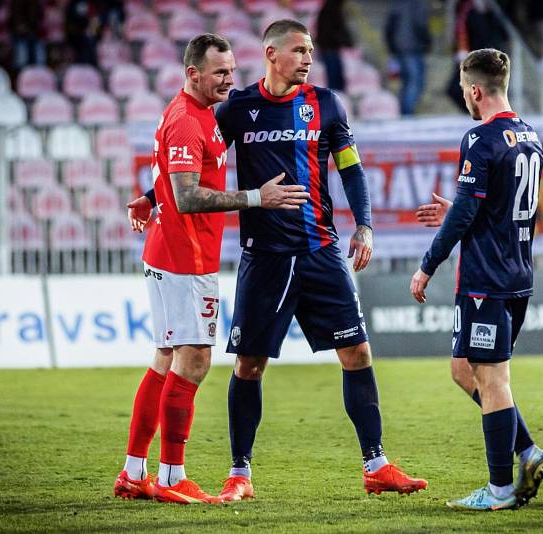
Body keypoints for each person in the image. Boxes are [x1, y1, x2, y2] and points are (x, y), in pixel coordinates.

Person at [213, 19, 427, 502]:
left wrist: (365, 224)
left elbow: (351, 171)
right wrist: (151, 196)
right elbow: (201, 164)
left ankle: (376, 464)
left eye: (311, 51)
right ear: (271, 54)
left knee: (358, 354)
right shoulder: (237, 109)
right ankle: (239, 473)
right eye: (300, 50)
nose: (309, 58)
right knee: (250, 365)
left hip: (321, 252)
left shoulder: (326, 104)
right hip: (265, 258)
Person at [115, 33, 309, 505]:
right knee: (195, 360)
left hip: (168, 253)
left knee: (165, 360)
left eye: (232, 71)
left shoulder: (198, 114)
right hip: (185, 258)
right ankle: (171, 476)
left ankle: (134, 471)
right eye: (219, 72)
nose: (229, 79)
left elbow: (168, 178)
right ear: (193, 74)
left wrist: (147, 196)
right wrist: (255, 198)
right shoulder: (187, 120)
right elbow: (186, 195)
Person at [410, 48, 543, 511]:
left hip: (486, 280)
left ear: (474, 90)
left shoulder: (480, 138)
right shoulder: (530, 137)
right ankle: (527, 450)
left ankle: (498, 491)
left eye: (463, 91)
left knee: (492, 380)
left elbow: (468, 213)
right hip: (517, 273)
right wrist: (458, 209)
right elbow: (506, 210)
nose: (464, 99)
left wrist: (427, 264)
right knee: (463, 370)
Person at [384, 0, 431, 115]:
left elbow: (388, 28)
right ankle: (407, 113)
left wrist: (392, 47)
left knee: (407, 82)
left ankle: (405, 112)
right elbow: (421, 25)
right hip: (413, 47)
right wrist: (427, 42)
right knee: (415, 82)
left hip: (400, 48)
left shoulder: (397, 5)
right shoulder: (418, 4)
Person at [315, 0, 354, 92]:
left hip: (330, 47)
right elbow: (333, 31)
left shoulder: (328, 10)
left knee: (336, 77)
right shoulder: (331, 11)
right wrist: (345, 41)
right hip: (329, 47)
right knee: (334, 77)